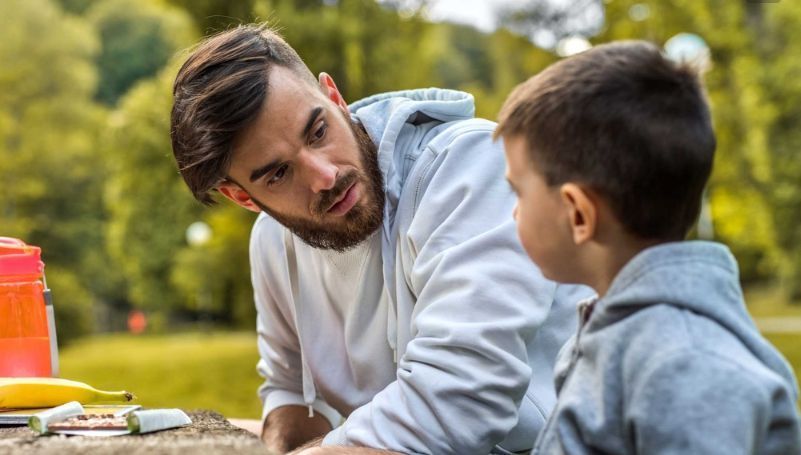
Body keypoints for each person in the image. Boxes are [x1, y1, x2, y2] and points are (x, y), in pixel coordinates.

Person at [170, 24, 591, 455]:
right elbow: (291, 395)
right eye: (279, 173)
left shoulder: (467, 168)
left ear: (334, 98)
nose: (325, 176)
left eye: (318, 132)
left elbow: (464, 396)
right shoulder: (272, 244)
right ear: (243, 197)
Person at [497, 40, 801, 454]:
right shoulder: (617, 331)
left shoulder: (686, 366)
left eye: (518, 192)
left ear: (579, 213)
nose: (514, 214)